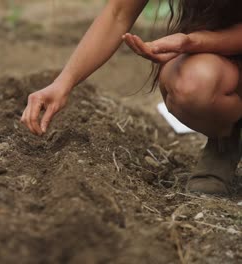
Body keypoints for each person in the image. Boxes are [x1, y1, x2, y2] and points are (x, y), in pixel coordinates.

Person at [20, 0, 242, 195]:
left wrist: (193, 42)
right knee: (193, 84)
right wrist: (63, 83)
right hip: (228, 62)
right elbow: (118, 13)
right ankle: (226, 141)